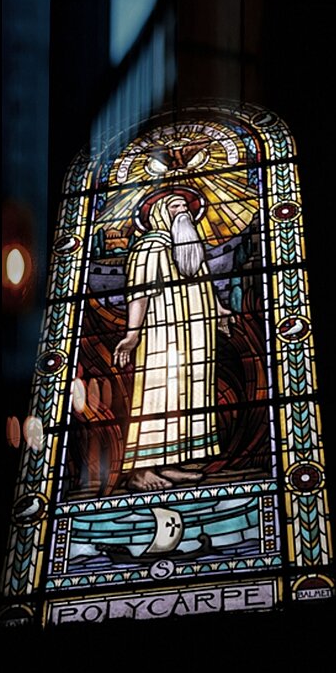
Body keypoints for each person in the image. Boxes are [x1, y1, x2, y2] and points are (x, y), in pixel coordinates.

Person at [113, 191, 234, 491]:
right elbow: (138, 292)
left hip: (194, 334)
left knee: (186, 392)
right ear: (158, 215)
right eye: (175, 206)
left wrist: (219, 310)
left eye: (185, 206)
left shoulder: (187, 245)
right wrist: (132, 334)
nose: (184, 211)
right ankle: (141, 468)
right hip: (162, 334)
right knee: (158, 393)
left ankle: (170, 460)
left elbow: (203, 281)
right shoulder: (150, 247)